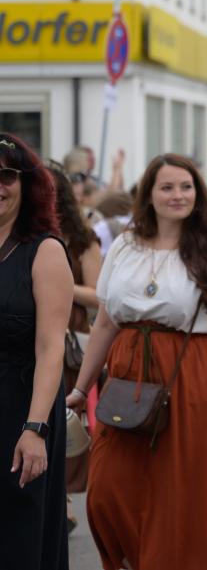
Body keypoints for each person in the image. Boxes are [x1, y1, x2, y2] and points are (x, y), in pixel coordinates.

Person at [66, 154, 207, 570]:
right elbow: (104, 323)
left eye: (186, 187)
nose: (177, 195)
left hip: (193, 377)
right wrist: (80, 390)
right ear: (149, 195)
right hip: (127, 376)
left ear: (197, 192)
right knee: (108, 491)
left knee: (180, 497)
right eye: (167, 187)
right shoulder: (125, 245)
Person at [0, 134, 74, 570]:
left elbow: (50, 351)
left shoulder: (43, 251)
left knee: (19, 530)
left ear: (27, 185)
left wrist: (34, 429)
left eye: (7, 175)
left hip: (23, 405)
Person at [46, 162, 103, 531]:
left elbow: (99, 296)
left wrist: (53, 282)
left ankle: (62, 497)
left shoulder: (83, 239)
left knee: (61, 419)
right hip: (24, 332)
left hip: (69, 338)